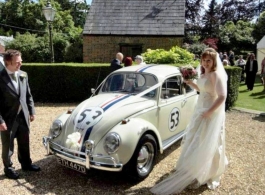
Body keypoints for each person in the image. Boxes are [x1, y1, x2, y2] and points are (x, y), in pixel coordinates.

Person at [151, 48, 228, 195]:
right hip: (200, 109)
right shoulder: (205, 73)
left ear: (214, 61)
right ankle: (192, 168)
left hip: (209, 112)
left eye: (209, 60)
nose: (205, 63)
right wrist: (190, 83)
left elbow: (222, 96)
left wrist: (209, 112)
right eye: (204, 60)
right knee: (195, 139)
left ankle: (204, 172)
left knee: (205, 140)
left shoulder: (216, 75)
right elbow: (202, 89)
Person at [0, 49, 40, 180]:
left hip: (23, 116)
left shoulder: (24, 74)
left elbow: (28, 95)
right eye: (17, 62)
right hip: (8, 118)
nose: (20, 64)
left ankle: (26, 164)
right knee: (8, 145)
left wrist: (31, 111)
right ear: (7, 62)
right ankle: (9, 168)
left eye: (21, 61)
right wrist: (0, 121)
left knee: (24, 141)